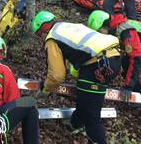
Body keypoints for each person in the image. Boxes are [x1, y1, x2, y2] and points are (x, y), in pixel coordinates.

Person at [31, 11, 121, 144]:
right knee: (85, 98)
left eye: (39, 35)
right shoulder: (67, 27)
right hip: (111, 58)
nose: (42, 38)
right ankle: (74, 123)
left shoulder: (52, 37)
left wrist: (45, 90)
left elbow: (57, 75)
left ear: (42, 29)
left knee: (92, 115)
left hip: (96, 66)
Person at [87, 10, 141, 131]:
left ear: (106, 25)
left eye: (100, 31)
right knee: (125, 63)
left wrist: (128, 86)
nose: (101, 34)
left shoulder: (126, 32)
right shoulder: (115, 26)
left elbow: (136, 59)